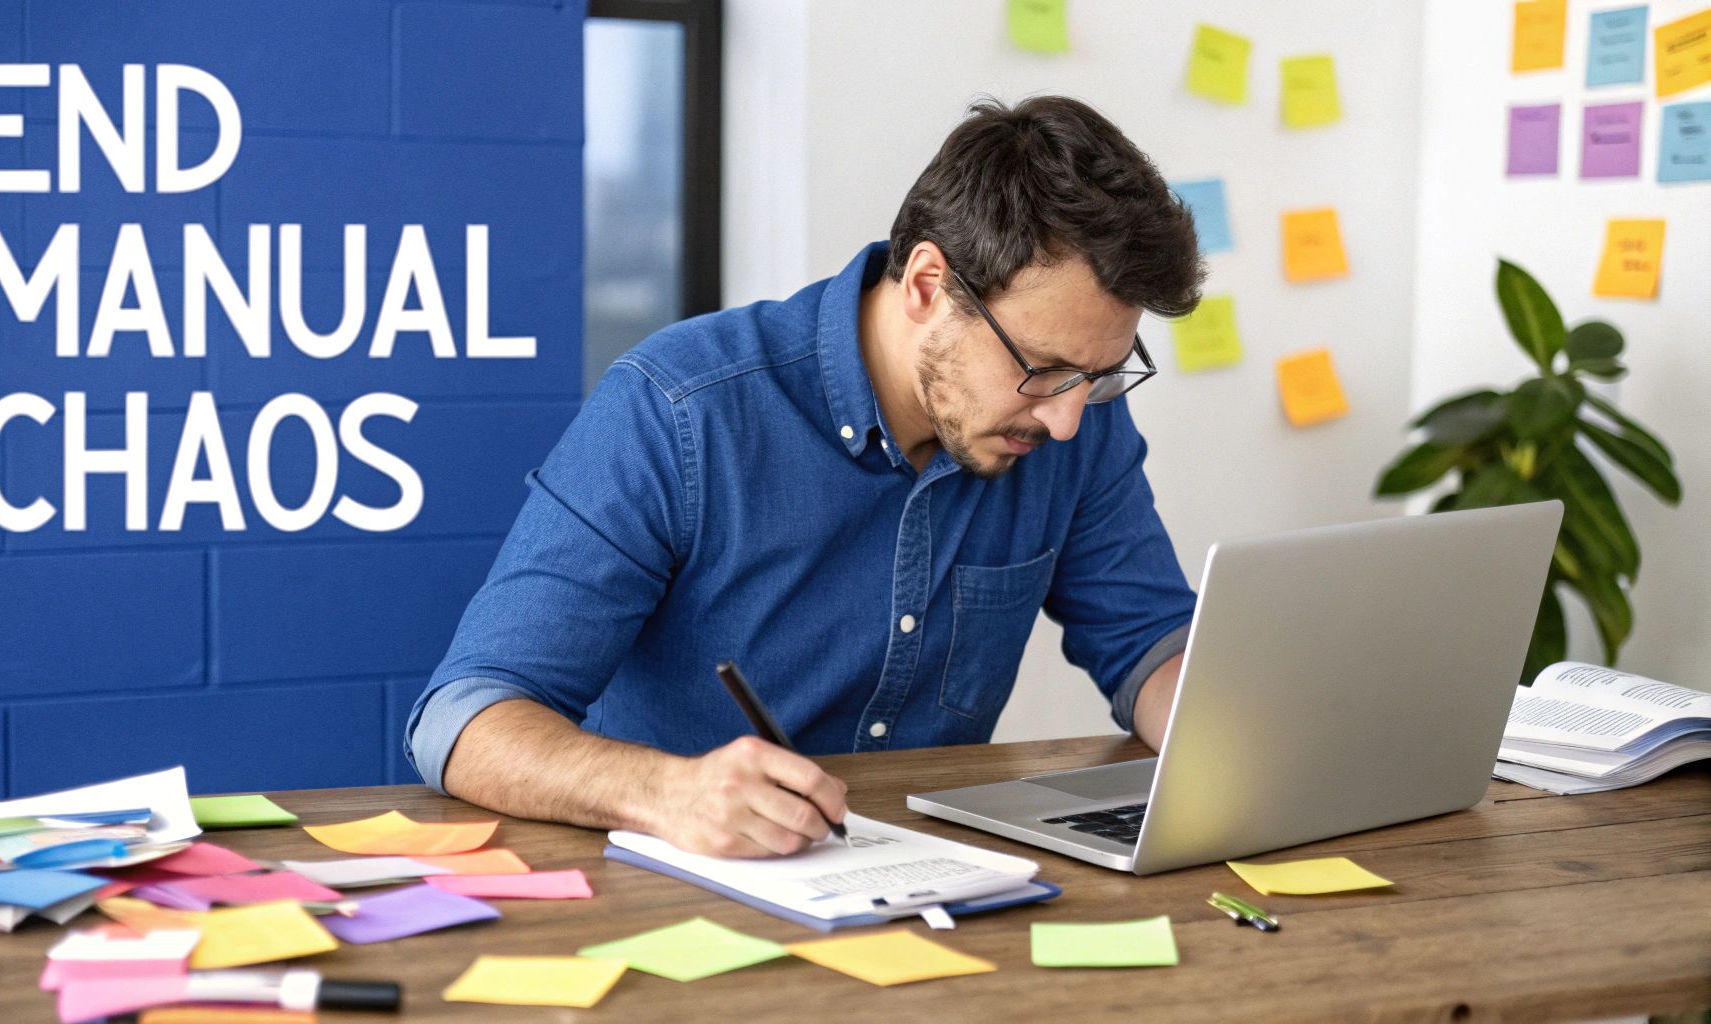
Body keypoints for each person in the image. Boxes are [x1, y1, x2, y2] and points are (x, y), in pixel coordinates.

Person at [405, 95, 1204, 859]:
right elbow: (465, 721)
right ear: (928, 285)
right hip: (689, 891)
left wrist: (1233, 740)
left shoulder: (1071, 418)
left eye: (1098, 375)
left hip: (944, 887)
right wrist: (667, 792)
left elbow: (1150, 645)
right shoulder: (679, 409)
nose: (1067, 420)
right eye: (1045, 368)